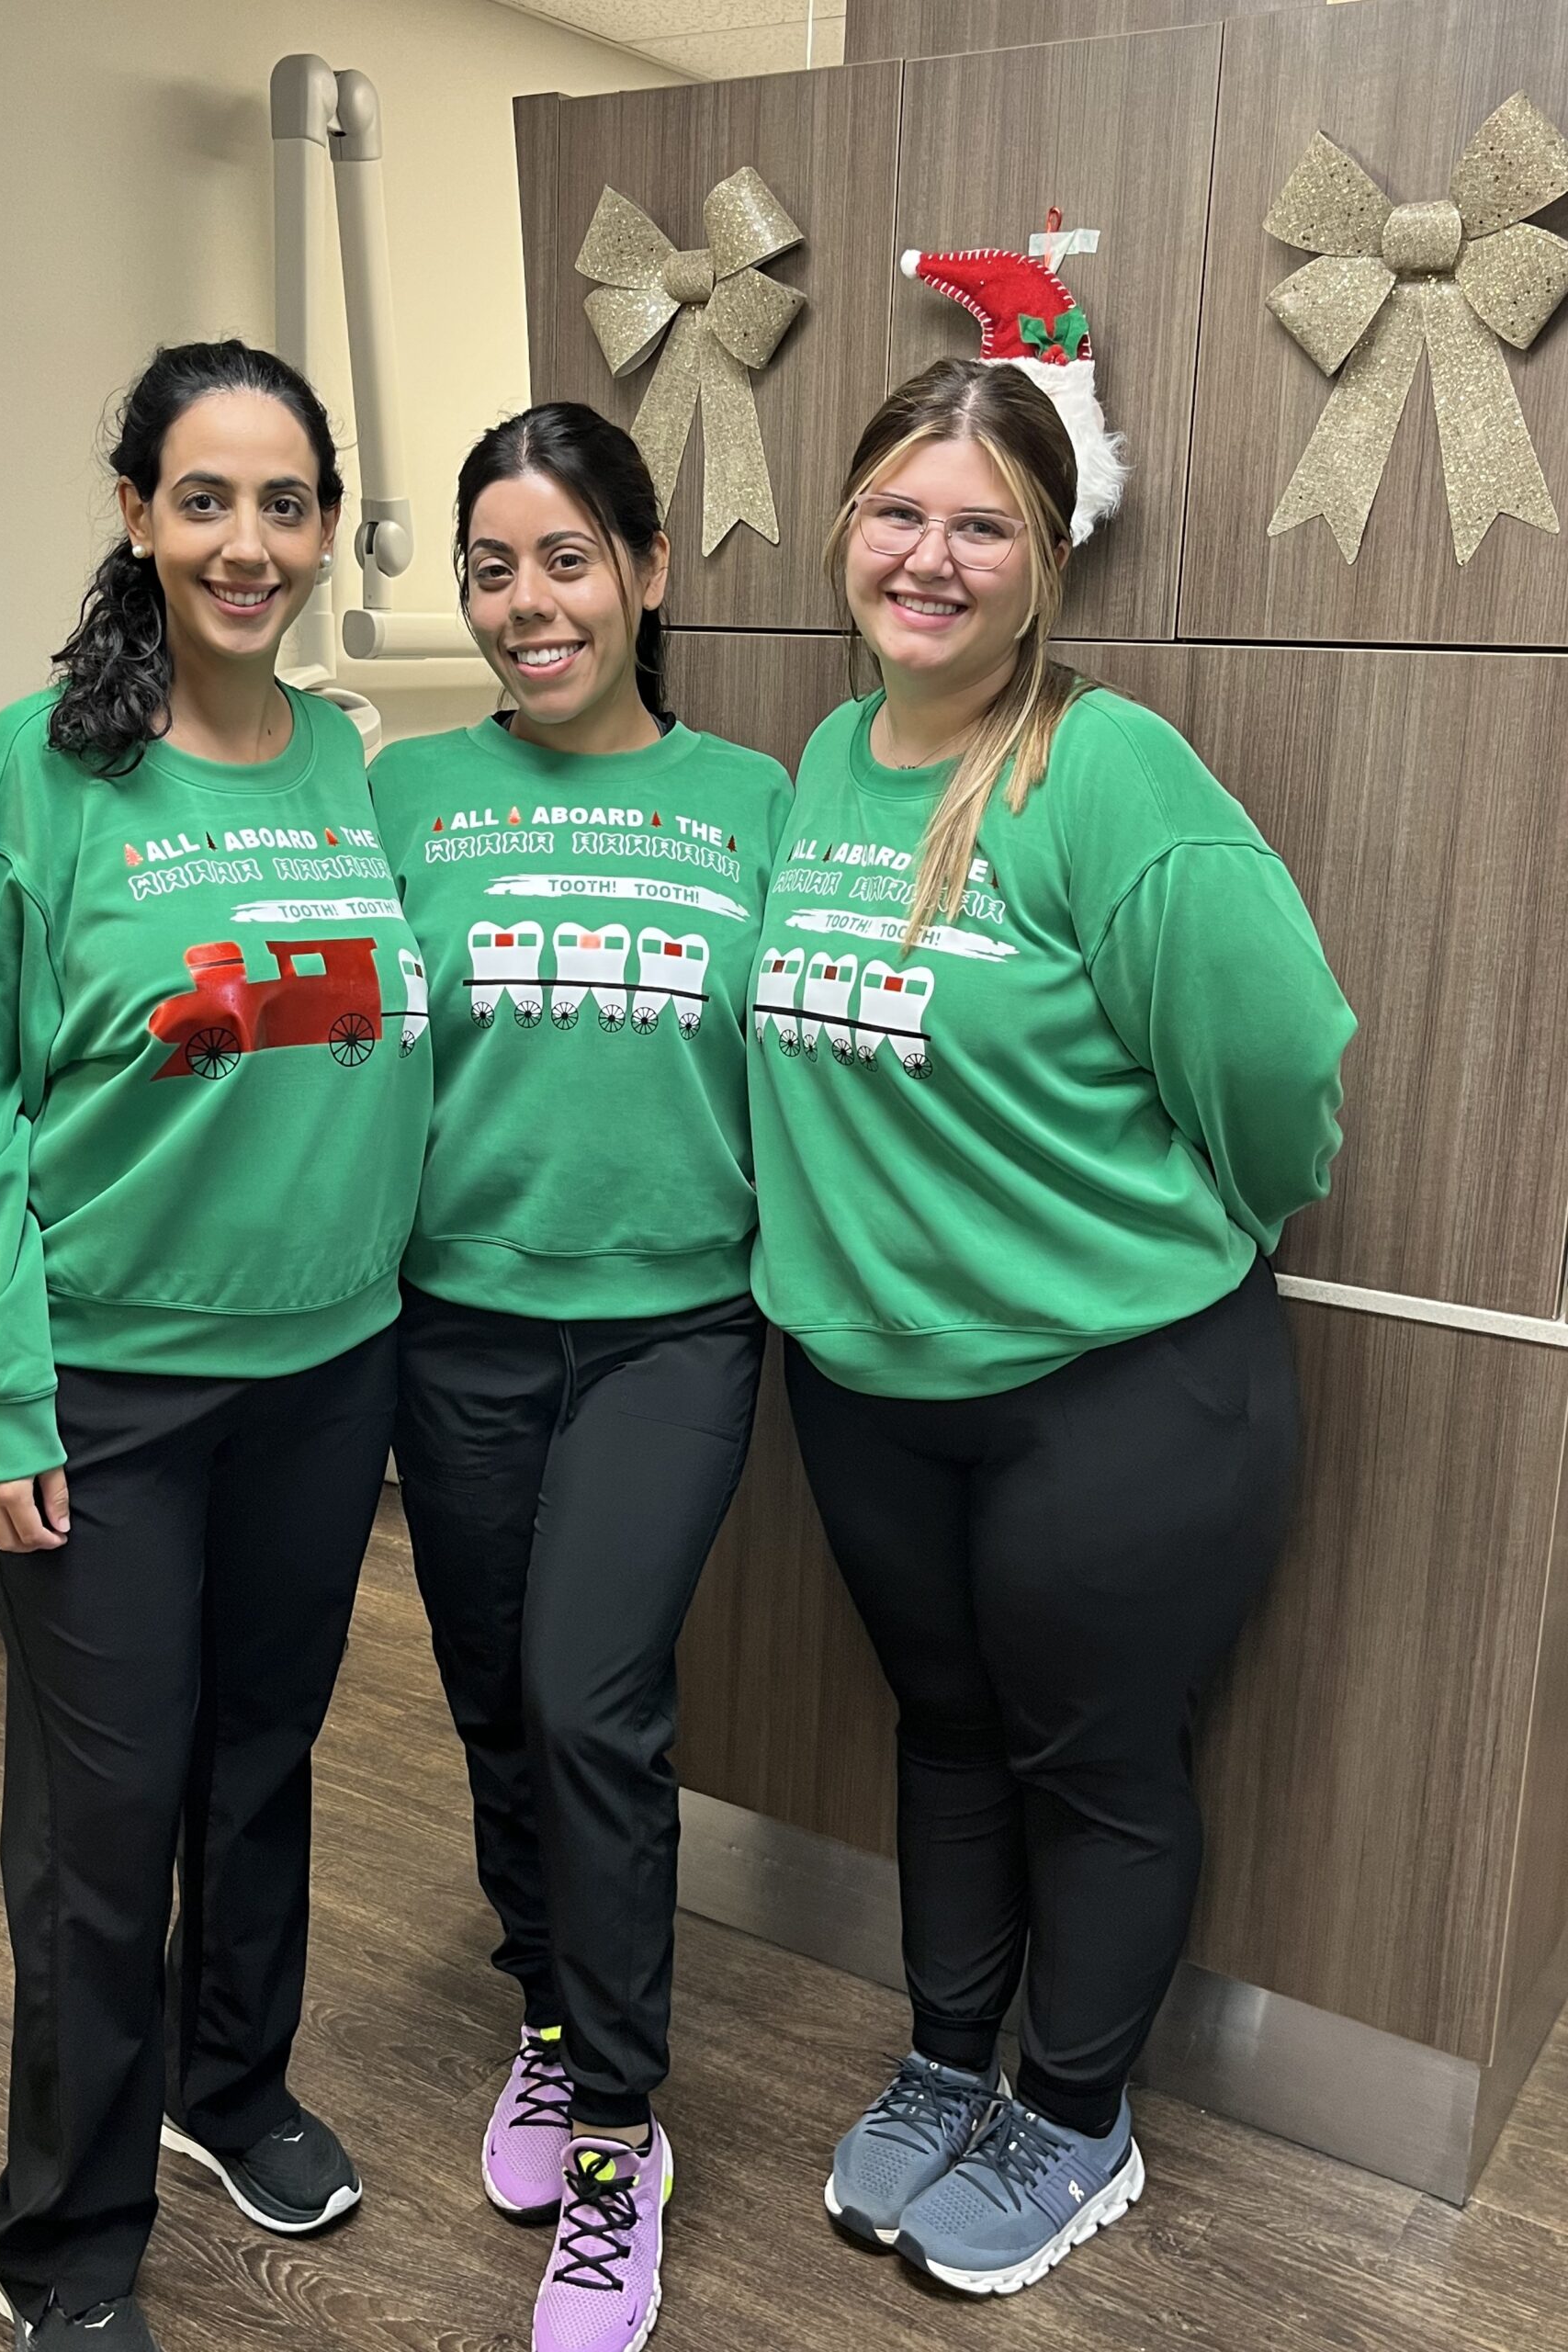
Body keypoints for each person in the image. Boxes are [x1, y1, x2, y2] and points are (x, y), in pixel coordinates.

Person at [747, 357, 1356, 2298]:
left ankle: (1076, 2114)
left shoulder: (1111, 773)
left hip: (1121, 1394)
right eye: (900, 512)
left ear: (1046, 556)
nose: (931, 556)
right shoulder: (830, 760)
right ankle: (947, 2057)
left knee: (1095, 1759)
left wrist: (1183, 1230)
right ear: (849, 525)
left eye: (982, 522)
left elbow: (1279, 1070)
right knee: (944, 1729)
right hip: (869, 1387)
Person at [0, 341, 433, 2351]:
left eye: (284, 503)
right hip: (106, 1388)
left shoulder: (341, 757)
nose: (248, 542)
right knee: (105, 1828)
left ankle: (231, 2084)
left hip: (326, 1365)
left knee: (261, 1762)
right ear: (136, 511)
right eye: (205, 498)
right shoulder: (32, 774)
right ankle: (64, 2233)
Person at [370, 402, 792, 2352]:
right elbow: (321, 1020)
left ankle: (621, 2133)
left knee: (586, 1693)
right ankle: (547, 2011)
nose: (524, 602)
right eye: (489, 564)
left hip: (673, 1326)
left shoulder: (756, 799)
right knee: (487, 1696)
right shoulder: (405, 795)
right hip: (449, 1318)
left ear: (646, 569)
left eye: (562, 557)